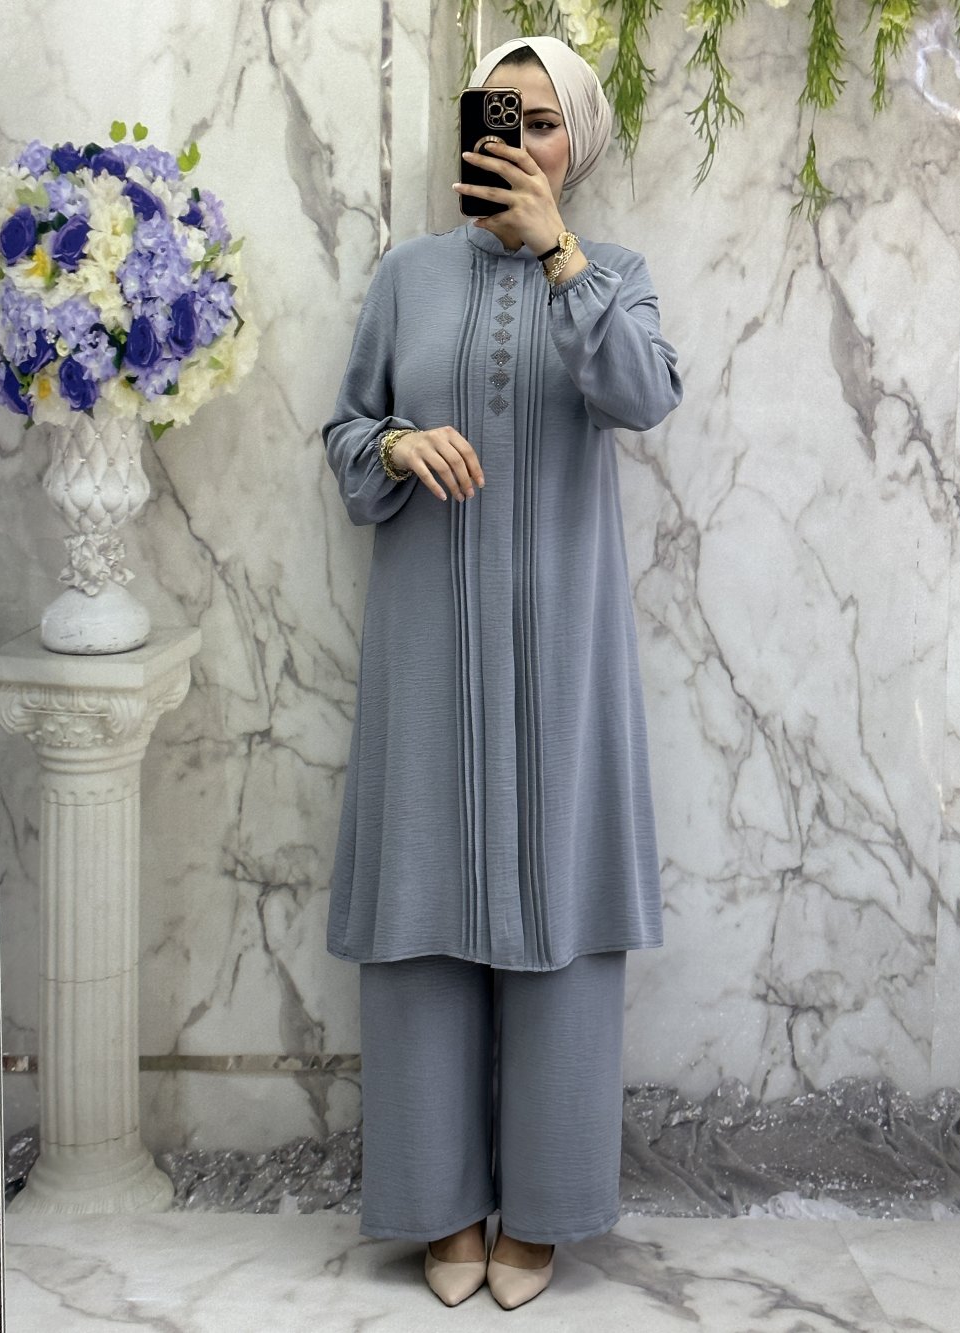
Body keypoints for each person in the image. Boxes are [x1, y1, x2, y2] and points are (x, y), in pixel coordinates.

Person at [322, 34, 682, 1310]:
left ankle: (542, 1208)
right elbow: (345, 430)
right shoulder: (409, 275)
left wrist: (559, 253)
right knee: (421, 900)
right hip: (426, 650)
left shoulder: (615, 275)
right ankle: (438, 1203)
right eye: (500, 114)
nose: (520, 138)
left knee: (560, 903)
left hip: (564, 656)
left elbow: (643, 394)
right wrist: (396, 445)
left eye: (543, 120)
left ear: (574, 142)